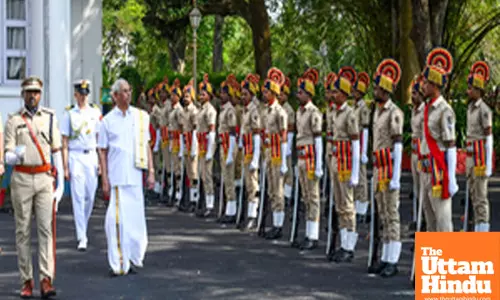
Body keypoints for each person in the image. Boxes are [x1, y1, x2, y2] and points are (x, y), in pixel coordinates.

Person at [4, 76, 64, 298]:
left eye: (36, 92)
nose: (32, 95)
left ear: (41, 94)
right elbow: (8, 154)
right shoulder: (13, 120)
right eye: (29, 91)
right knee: (23, 231)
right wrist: (16, 153)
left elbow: (56, 150)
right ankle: (26, 280)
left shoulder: (49, 118)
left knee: (45, 230)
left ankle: (46, 279)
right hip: (21, 178)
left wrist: (61, 186)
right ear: (23, 94)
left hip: (43, 178)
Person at [98, 78, 154, 276]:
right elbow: (102, 152)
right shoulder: (106, 121)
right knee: (115, 222)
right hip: (118, 177)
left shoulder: (140, 117)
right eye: (123, 91)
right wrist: (104, 178)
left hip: (135, 174)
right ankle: (118, 262)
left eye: (129, 90)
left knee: (135, 222)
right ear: (115, 96)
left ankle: (132, 257)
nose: (127, 94)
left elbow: (146, 144)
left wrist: (151, 172)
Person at [370, 59, 404, 277]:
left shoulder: (395, 113)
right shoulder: (377, 111)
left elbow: (398, 145)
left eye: (377, 88)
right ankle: (384, 256)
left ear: (385, 90)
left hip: (389, 168)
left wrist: (397, 177)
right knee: (382, 213)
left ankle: (393, 259)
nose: (374, 91)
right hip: (378, 169)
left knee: (392, 214)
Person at [420, 47, 458, 233]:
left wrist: (451, 179)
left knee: (443, 223)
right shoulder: (426, 109)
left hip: (439, 172)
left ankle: (447, 260)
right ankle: (433, 262)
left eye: (426, 83)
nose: (423, 86)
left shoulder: (445, 110)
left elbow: (450, 145)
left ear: (435, 85)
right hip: (426, 171)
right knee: (430, 222)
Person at [61, 79, 102, 251]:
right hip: (76, 155)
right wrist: (64, 167)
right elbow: (64, 142)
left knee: (90, 196)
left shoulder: (95, 113)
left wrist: (100, 162)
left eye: (86, 94)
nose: (83, 97)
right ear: (75, 95)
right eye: (80, 94)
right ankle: (82, 236)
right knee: (78, 197)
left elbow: (100, 139)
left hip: (91, 155)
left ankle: (82, 227)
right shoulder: (69, 114)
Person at [328, 67, 360, 263]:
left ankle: (350, 246)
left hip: (347, 163)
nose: (332, 94)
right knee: (339, 205)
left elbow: (355, 144)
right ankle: (343, 242)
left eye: (336, 91)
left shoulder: (350, 115)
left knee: (348, 205)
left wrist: (355, 173)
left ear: (344, 94)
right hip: (336, 161)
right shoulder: (334, 113)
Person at [294, 68, 323, 250]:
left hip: (311, 157)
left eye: (301, 92)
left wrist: (319, 164)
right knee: (305, 196)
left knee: (313, 197)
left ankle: (313, 234)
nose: (298, 95)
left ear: (309, 94)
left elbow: (318, 139)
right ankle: (308, 232)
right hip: (301, 156)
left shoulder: (314, 113)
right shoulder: (300, 111)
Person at [466, 61, 493, 232]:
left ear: (478, 90)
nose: (468, 91)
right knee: (473, 195)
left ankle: (483, 232)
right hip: (470, 155)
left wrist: (488, 164)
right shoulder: (470, 108)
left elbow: (488, 137)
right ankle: (477, 228)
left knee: (481, 197)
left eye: (470, 88)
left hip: (480, 157)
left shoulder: (484, 110)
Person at [262, 68, 288, 239]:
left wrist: (284, 162)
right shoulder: (267, 110)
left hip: (278, 154)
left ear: (274, 93)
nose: (263, 94)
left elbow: (284, 137)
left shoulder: (280, 112)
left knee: (278, 191)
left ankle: (279, 225)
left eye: (266, 91)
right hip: (269, 153)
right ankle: (274, 222)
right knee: (271, 190)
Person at [239, 74, 262, 231]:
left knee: (253, 184)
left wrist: (255, 158)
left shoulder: (254, 111)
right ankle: (248, 213)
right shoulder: (245, 110)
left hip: (252, 151)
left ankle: (253, 216)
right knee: (248, 184)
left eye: (245, 94)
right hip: (246, 150)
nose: (242, 96)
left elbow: (257, 135)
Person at [196, 75, 218, 217]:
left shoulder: (210, 110)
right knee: (202, 174)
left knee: (208, 175)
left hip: (207, 143)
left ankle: (210, 205)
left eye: (203, 94)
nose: (201, 96)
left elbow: (212, 130)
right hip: (201, 144)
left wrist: (210, 150)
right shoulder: (201, 108)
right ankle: (204, 202)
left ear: (209, 96)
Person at [217, 79, 238, 223]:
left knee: (229, 179)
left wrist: (231, 152)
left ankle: (232, 211)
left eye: (224, 93)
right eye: (221, 93)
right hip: (222, 145)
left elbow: (232, 132)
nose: (221, 95)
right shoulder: (223, 109)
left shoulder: (230, 110)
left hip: (228, 146)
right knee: (225, 178)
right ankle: (228, 208)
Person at [352, 72, 371, 220]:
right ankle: (357, 205)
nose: (353, 93)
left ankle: (362, 208)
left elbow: (365, 130)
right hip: (353, 144)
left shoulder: (363, 108)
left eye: (356, 90)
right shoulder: (354, 107)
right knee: (355, 176)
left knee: (362, 178)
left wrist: (364, 151)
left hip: (360, 143)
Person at [410, 75, 426, 230]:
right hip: (414, 152)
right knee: (416, 188)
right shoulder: (414, 111)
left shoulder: (425, 111)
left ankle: (423, 223)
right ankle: (417, 219)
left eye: (414, 93)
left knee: (423, 190)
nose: (412, 96)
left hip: (422, 153)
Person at [182, 81, 200, 212]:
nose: (185, 98)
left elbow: (195, 129)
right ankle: (190, 199)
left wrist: (194, 146)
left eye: (187, 96)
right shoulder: (184, 111)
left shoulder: (194, 111)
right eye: (184, 96)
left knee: (194, 173)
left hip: (192, 142)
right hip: (185, 142)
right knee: (188, 172)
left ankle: (195, 200)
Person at [168, 82, 185, 209]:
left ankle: (179, 193)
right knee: (173, 167)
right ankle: (174, 192)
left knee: (178, 169)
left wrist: (181, 146)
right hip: (172, 140)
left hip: (178, 140)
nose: (171, 97)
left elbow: (181, 127)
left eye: (174, 95)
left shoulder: (179, 110)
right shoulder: (172, 109)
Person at [279, 77, 295, 204]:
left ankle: (288, 194)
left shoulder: (288, 110)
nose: (280, 96)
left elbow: (290, 129)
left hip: (286, 142)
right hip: (278, 143)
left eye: (282, 94)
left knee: (288, 170)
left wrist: (288, 146)